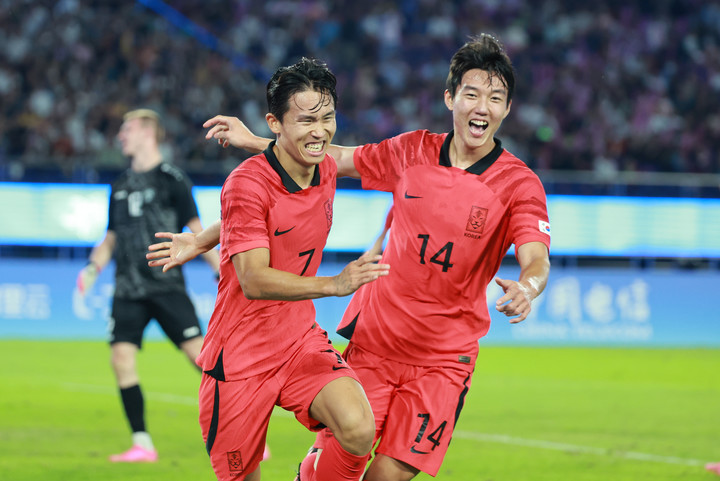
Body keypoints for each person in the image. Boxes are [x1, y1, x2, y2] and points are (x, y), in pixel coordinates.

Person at [152, 34, 551, 480]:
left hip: (444, 357)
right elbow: (324, 157)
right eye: (472, 94)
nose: (482, 107)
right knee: (331, 445)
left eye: (495, 99)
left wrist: (528, 286)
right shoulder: (411, 150)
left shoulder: (519, 184)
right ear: (450, 98)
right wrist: (258, 146)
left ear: (507, 108)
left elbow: (536, 257)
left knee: (386, 472)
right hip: (375, 341)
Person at [160, 57, 389, 481]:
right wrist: (334, 284)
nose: (319, 131)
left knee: (358, 427)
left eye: (327, 118)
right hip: (240, 357)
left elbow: (291, 185)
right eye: (306, 120)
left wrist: (204, 238)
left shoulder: (324, 167)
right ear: (275, 122)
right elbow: (253, 279)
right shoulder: (245, 183)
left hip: (298, 340)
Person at [75, 108, 221, 463]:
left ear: (147, 133)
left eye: (127, 129)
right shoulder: (120, 186)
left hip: (167, 285)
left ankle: (245, 427)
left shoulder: (173, 179)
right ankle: (142, 443)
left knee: (201, 358)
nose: (120, 136)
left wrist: (223, 271)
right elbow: (110, 238)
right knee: (120, 358)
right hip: (127, 289)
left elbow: (198, 233)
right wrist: (92, 269)